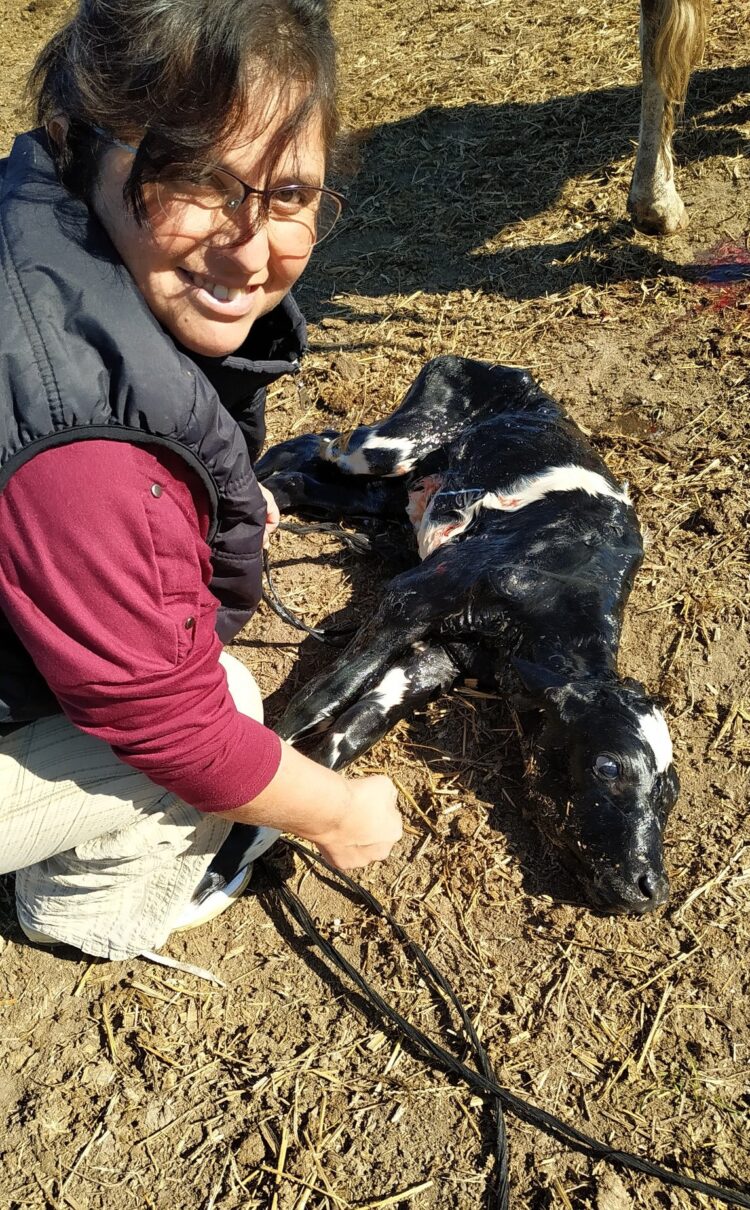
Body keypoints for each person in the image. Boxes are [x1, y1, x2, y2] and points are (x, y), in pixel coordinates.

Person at [0, 0, 402, 961]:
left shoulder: (37, 226)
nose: (252, 247)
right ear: (80, 137)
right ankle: (82, 914)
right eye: (196, 180)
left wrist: (179, 509)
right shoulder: (78, 439)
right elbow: (167, 721)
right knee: (221, 703)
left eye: (291, 194)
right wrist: (340, 811)